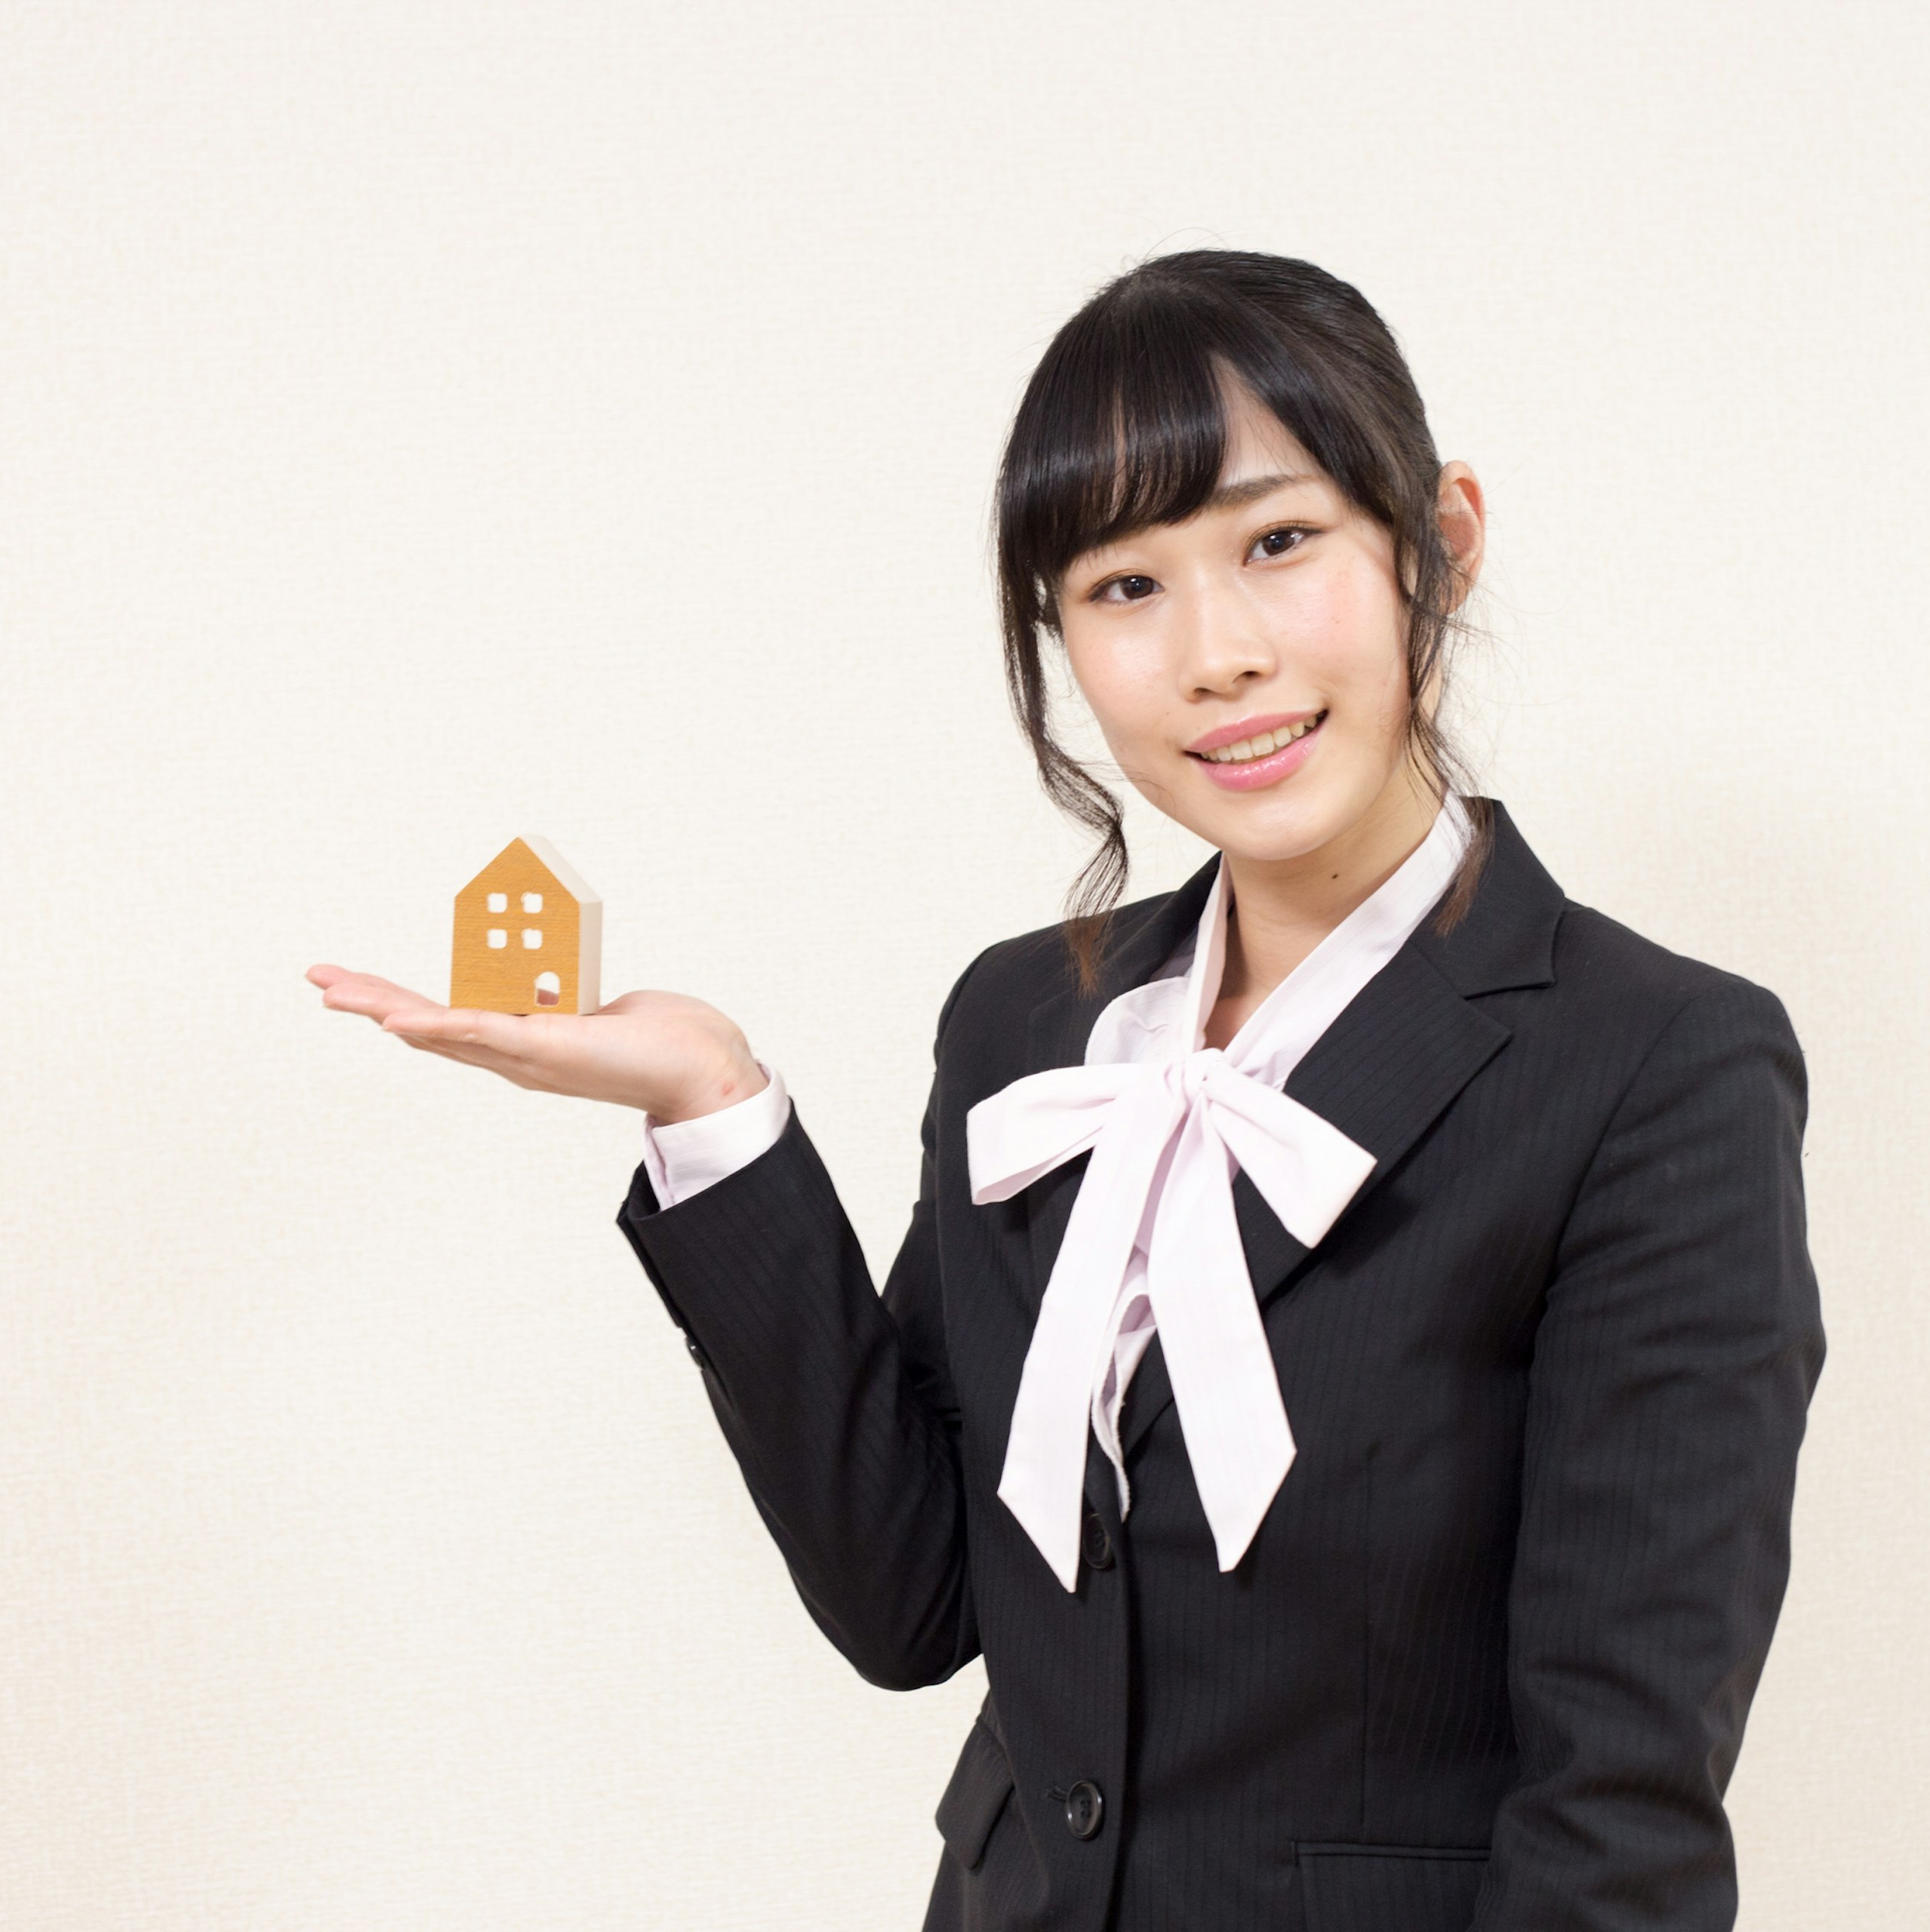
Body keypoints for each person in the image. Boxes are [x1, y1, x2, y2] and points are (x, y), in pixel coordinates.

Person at [310, 250, 1824, 1932]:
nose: (1215, 655)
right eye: (1123, 585)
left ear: (1438, 540)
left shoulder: (1656, 1064)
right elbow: (914, 1595)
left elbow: (1619, 1805)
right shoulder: (1030, 1022)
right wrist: (711, 1105)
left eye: (1278, 541)